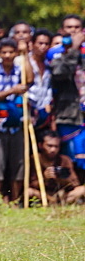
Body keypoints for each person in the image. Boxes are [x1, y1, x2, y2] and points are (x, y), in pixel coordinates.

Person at [0, 38, 31, 202]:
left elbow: (29, 80)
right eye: (4, 52)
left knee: (17, 164)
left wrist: (25, 54)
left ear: (15, 54)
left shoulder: (19, 70)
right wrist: (11, 91)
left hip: (17, 124)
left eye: (11, 52)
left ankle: (14, 199)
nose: (7, 55)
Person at [51, 15, 84, 158]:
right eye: (69, 27)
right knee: (70, 157)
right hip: (68, 113)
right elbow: (60, 73)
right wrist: (74, 49)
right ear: (62, 30)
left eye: (76, 27)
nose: (73, 31)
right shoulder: (54, 52)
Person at [29, 131, 85, 204]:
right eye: (49, 146)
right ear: (40, 145)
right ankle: (50, 201)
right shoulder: (34, 159)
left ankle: (59, 202)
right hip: (44, 194)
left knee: (82, 189)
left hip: (63, 195)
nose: (53, 150)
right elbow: (30, 184)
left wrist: (63, 178)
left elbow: (75, 183)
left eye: (56, 146)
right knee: (29, 192)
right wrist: (45, 178)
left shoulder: (65, 160)